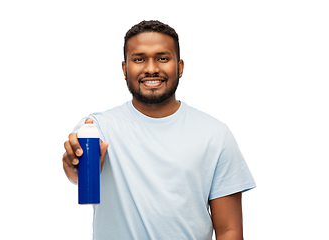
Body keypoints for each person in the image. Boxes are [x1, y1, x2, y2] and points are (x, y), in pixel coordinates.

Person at [62, 20, 256, 240]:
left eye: (162, 58)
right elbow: (76, 171)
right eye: (139, 59)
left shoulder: (215, 135)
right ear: (125, 69)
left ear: (179, 67)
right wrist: (76, 164)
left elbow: (229, 229)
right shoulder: (98, 128)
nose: (151, 68)